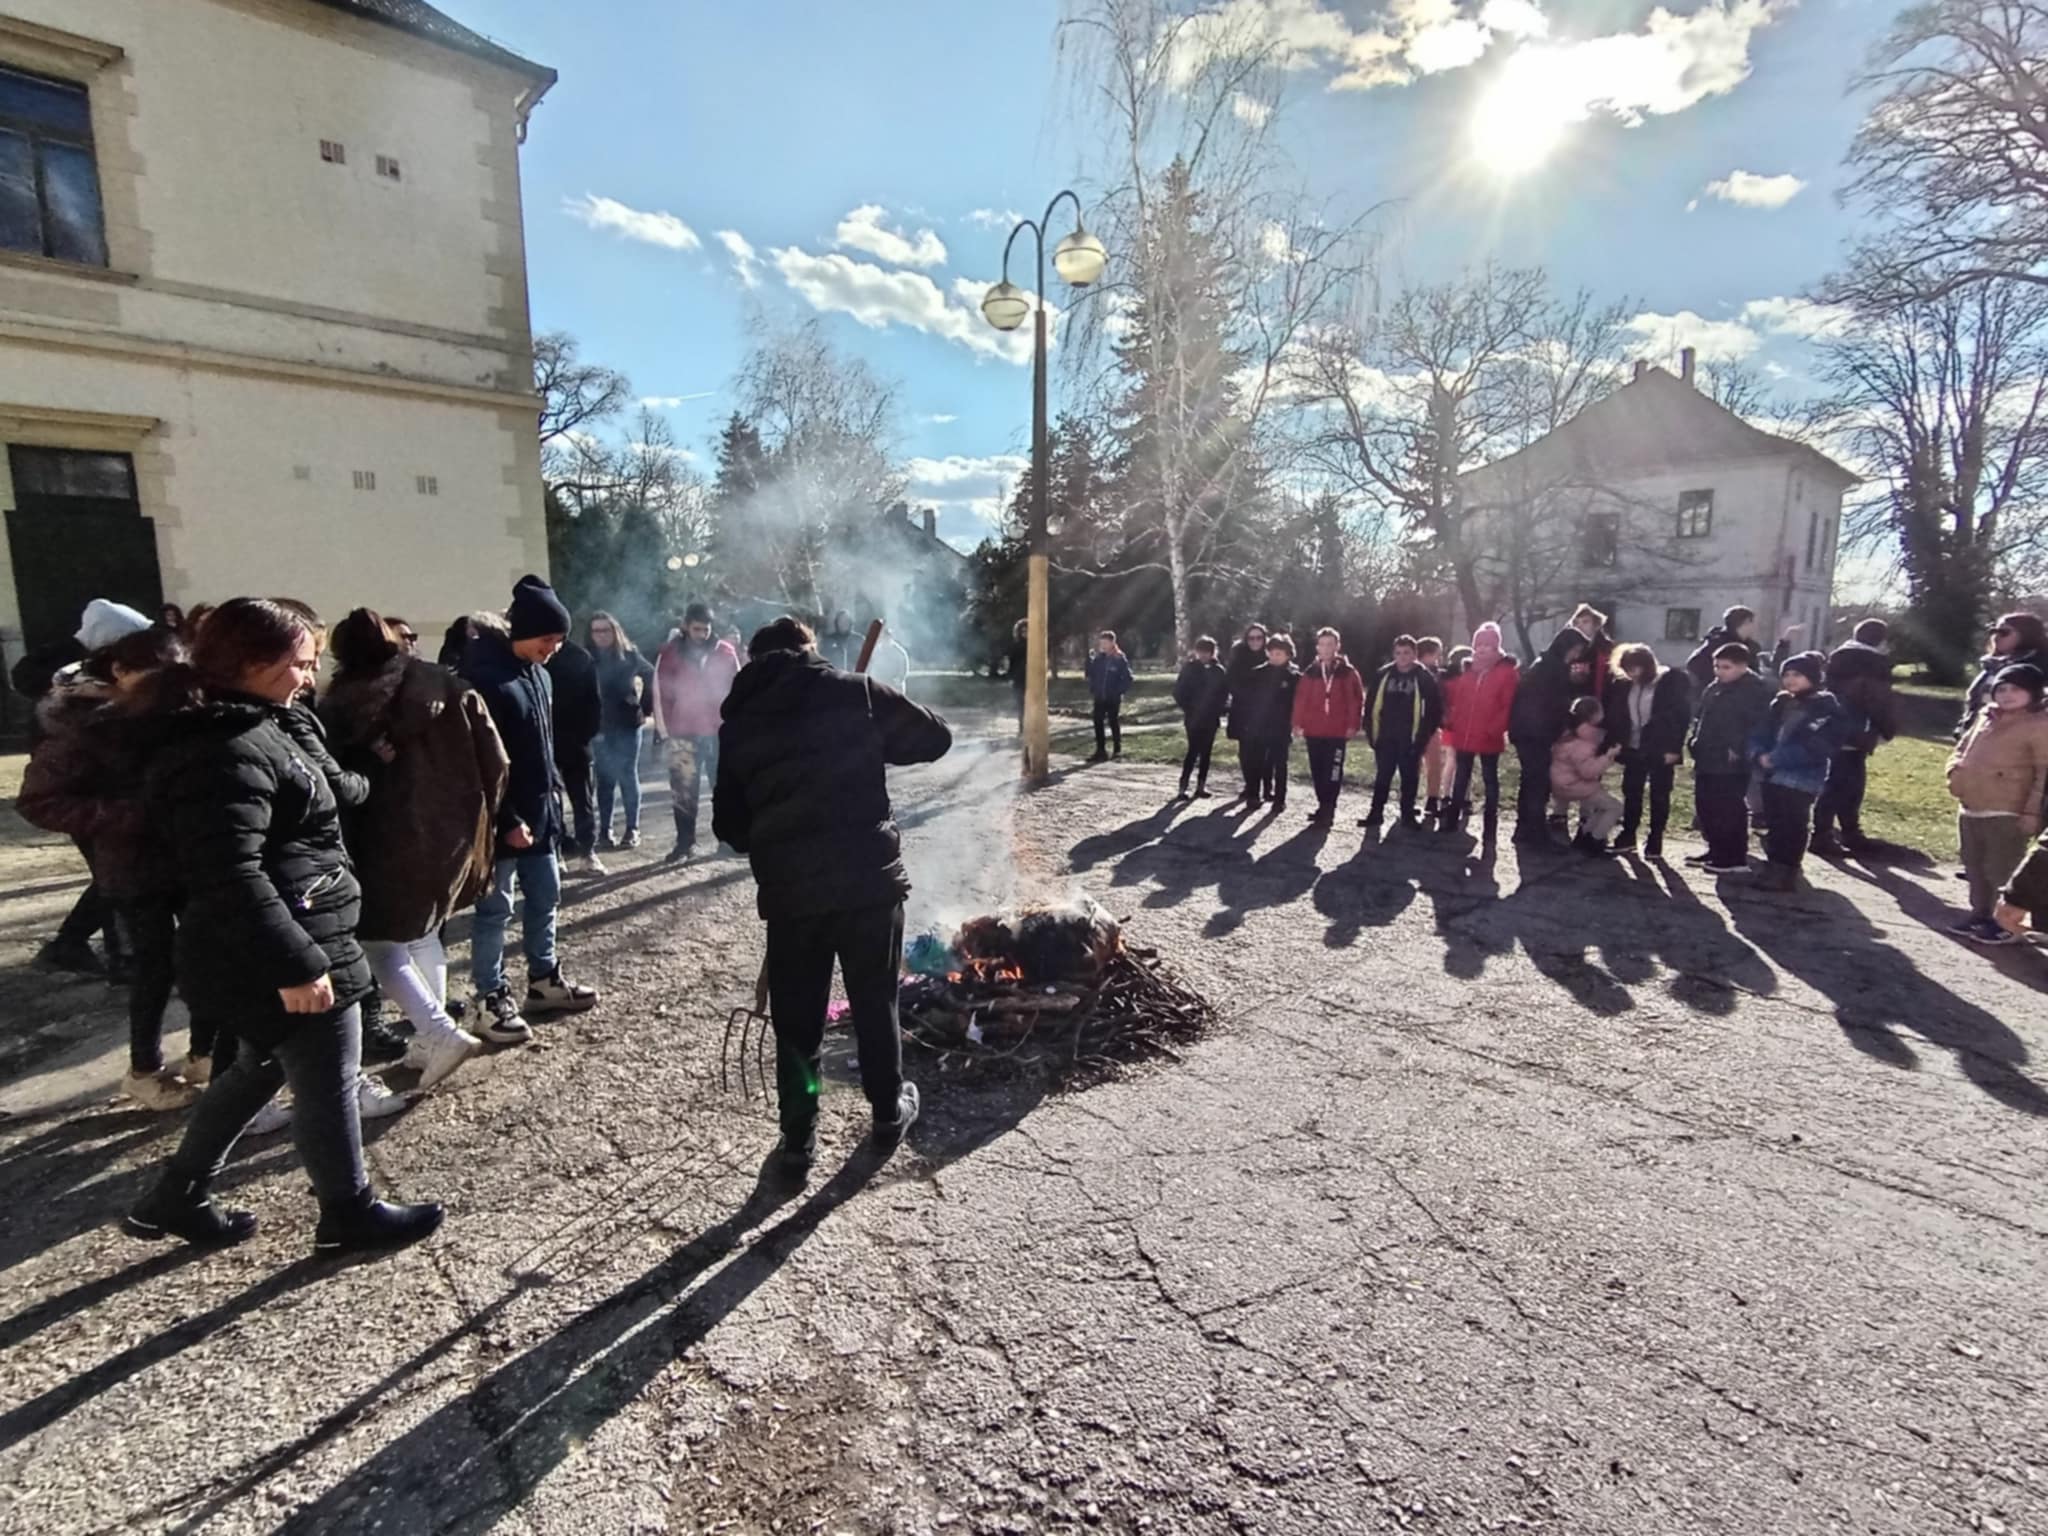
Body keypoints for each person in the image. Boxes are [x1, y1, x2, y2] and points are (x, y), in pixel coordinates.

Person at [121, 597, 442, 1256]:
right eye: (300, 663)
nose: (309, 675)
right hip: (285, 942)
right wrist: (298, 964)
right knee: (326, 1074)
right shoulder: (223, 750)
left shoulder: (262, 724)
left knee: (260, 1067)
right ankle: (348, 1214)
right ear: (250, 663)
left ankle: (175, 1197)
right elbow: (229, 873)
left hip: (296, 925)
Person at [712, 617, 952, 1182]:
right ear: (809, 649)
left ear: (753, 660)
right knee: (875, 1001)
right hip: (868, 884)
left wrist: (772, 830)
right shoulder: (855, 693)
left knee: (798, 1019)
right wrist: (870, 733)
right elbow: (935, 738)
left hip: (791, 894)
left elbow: (730, 827)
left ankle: (798, 1140)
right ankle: (888, 1113)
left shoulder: (740, 722)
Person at [320, 609, 509, 1079]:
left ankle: (436, 1032)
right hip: (448, 834)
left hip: (379, 840)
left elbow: (336, 783)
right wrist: (479, 819)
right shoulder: (449, 684)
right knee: (425, 933)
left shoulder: (340, 706)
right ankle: (430, 1037)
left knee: (381, 945)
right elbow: (497, 761)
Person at [18, 624, 196, 1108]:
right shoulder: (84, 724)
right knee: (155, 967)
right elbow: (39, 800)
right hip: (134, 865)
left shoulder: (176, 714)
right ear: (119, 670)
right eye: (154, 673)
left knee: (202, 957)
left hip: (189, 858)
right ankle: (145, 1068)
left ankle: (202, 1052)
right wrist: (128, 817)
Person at [461, 576, 601, 1039]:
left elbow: (542, 745)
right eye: (547, 638)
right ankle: (489, 997)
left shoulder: (540, 675)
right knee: (495, 910)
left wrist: (553, 796)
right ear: (522, 630)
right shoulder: (485, 678)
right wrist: (507, 819)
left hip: (542, 814)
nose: (554, 649)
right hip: (500, 821)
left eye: (559, 640)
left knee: (546, 898)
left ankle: (543, 980)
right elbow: (480, 761)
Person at [13, 597, 152, 977]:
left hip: (97, 795)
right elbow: (51, 772)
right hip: (93, 798)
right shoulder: (78, 689)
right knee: (114, 878)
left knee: (111, 877)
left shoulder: (73, 678)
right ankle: (114, 955)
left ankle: (78, 945)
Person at [1945, 664, 2048, 946]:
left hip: (2008, 808)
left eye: (2016, 689)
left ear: (2034, 693)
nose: (2007, 695)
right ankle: (1979, 913)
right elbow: (1962, 748)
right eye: (2001, 689)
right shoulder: (1986, 716)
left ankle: (2006, 922)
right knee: (1974, 864)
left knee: (2001, 868)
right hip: (1972, 803)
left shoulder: (2039, 725)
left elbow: (2043, 773)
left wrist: (2032, 811)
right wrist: (1954, 771)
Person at [1747, 652, 1850, 892]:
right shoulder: (1781, 703)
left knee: (1793, 823)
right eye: (1787, 674)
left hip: (1801, 776)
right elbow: (1761, 731)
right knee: (1774, 822)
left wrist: (1777, 758)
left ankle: (1787, 869)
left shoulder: (1825, 707)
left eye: (1797, 674)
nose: (1791, 679)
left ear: (1812, 677)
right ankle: (1774, 864)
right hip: (1770, 773)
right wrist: (1758, 753)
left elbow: (1819, 745)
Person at [653, 602, 742, 863]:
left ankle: (727, 840)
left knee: (723, 789)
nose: (702, 634)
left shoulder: (725, 652)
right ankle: (685, 843)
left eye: (706, 629)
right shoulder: (670, 653)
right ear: (685, 626)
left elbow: (738, 689)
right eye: (697, 629)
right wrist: (664, 732)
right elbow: (661, 693)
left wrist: (736, 727)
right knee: (683, 791)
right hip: (683, 732)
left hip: (718, 732)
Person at [1809, 618, 1898, 857]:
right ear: (1880, 640)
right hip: (1858, 727)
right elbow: (1878, 699)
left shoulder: (1838, 657)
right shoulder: (1874, 663)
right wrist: (1886, 729)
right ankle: (1829, 834)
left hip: (1834, 725)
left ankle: (1837, 831)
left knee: (1839, 780)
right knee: (1846, 783)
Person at [1688, 643, 1774, 875]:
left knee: (1728, 807)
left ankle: (1733, 856)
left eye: (1726, 667)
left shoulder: (1754, 690)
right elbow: (1702, 717)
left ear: (1743, 666)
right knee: (1706, 806)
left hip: (1731, 760)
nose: (1719, 671)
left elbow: (1757, 725)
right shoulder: (1715, 687)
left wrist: (1737, 747)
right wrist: (1694, 742)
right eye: (1717, 666)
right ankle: (1715, 849)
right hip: (1707, 755)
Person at [1609, 643, 1692, 859]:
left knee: (1660, 793)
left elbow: (1680, 718)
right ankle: (1628, 835)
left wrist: (1674, 748)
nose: (1631, 674)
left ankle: (1655, 838)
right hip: (1634, 747)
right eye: (1627, 669)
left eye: (1634, 668)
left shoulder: (1670, 682)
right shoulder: (1624, 685)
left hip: (1660, 747)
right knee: (1631, 791)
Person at [1509, 626, 1587, 846]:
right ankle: (1536, 833)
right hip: (1536, 732)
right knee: (1538, 783)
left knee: (1529, 781)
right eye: (1575, 650)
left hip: (1526, 730)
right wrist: (1566, 724)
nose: (1576, 655)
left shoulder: (1542, 665)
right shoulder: (1553, 670)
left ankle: (1524, 829)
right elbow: (1554, 704)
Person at [1440, 624, 1519, 836]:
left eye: (1487, 645)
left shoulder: (1506, 672)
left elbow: (1507, 706)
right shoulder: (1469, 670)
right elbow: (1460, 700)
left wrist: (1494, 729)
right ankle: (1452, 817)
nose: (1482, 649)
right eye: (1479, 645)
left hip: (1488, 735)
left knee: (1489, 778)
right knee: (1461, 776)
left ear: (1496, 647)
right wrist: (1453, 721)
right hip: (1464, 732)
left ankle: (1490, 822)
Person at [586, 612, 655, 851]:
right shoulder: (587, 658)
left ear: (614, 631)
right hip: (599, 725)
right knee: (604, 778)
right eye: (596, 631)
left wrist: (645, 707)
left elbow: (650, 675)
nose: (601, 635)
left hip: (627, 724)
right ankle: (605, 830)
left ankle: (632, 828)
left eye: (606, 630)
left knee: (627, 774)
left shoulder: (630, 655)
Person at [1360, 633, 1441, 829]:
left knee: (1409, 778)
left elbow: (1434, 710)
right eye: (1398, 653)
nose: (1402, 657)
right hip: (1385, 736)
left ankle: (1407, 814)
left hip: (1411, 738)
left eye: (1406, 653)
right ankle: (1376, 813)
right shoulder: (1383, 674)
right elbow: (1370, 704)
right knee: (1383, 776)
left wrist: (1423, 737)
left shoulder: (1424, 677)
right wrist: (1371, 732)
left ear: (1414, 654)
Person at [1291, 627, 1366, 828]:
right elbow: (1301, 700)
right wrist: (1297, 723)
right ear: (1317, 647)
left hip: (1337, 731)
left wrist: (1353, 724)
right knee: (1317, 770)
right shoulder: (1310, 672)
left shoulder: (1348, 672)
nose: (1326, 648)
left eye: (1330, 644)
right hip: (1314, 730)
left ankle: (1329, 808)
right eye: (1322, 644)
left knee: (1333, 771)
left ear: (1337, 646)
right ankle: (1322, 805)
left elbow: (1356, 700)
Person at [546, 625, 603, 875]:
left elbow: (594, 702)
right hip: (545, 743)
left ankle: (588, 852)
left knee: (583, 801)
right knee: (551, 801)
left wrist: (585, 736)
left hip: (577, 743)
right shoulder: (534, 658)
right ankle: (557, 851)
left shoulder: (580, 658)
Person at [1550, 696, 1623, 856]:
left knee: (1602, 806)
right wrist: (1608, 756)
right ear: (1594, 716)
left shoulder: (1567, 734)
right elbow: (1588, 772)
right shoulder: (1585, 741)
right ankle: (1595, 840)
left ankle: (1585, 836)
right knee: (1615, 808)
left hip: (1561, 783)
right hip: (1574, 785)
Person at [1235, 633, 1299, 812]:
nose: (1275, 657)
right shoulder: (1257, 673)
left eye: (1279, 654)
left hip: (1281, 726)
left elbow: (1297, 703)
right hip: (1258, 725)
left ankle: (1279, 799)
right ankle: (1253, 795)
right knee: (1255, 762)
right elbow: (1246, 700)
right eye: (1272, 653)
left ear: (1288, 655)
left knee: (1280, 764)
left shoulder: (1293, 676)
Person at [1957, 612, 2048, 738]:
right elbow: (1976, 702)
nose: (1996, 637)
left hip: (2017, 738)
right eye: (1994, 631)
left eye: (2004, 632)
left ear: (2027, 634)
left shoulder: (2040, 666)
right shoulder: (1993, 665)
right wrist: (1964, 728)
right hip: (1979, 735)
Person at [1172, 636, 1230, 799]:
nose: (1204, 655)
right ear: (1196, 652)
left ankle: (1201, 785)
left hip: (1211, 718)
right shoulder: (1190, 668)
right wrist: (1188, 708)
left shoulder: (1218, 670)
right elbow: (1178, 692)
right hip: (1193, 717)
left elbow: (1224, 693)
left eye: (1207, 652)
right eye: (1201, 651)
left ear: (1213, 653)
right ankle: (1183, 786)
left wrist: (1220, 709)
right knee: (1193, 750)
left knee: (1206, 752)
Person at [1685, 607, 1799, 690]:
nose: (1755, 626)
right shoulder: (1716, 644)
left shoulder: (1752, 646)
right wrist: (1721, 682)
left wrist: (1784, 642)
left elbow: (1770, 668)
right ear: (1745, 623)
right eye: (1753, 622)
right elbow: (1694, 665)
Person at [1221, 622, 1269, 798]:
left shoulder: (1270, 656)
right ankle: (1251, 786)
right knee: (1246, 752)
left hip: (1265, 712)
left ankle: (1264, 786)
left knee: (1263, 752)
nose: (1255, 641)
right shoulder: (1238, 659)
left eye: (1259, 638)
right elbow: (1231, 682)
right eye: (1251, 638)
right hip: (1243, 710)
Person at [1415, 637, 1454, 821]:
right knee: (1415, 763)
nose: (1439, 658)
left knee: (1434, 763)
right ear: (1427, 654)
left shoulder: (1439, 674)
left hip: (1431, 724)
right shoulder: (1415, 672)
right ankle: (1411, 796)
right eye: (1437, 654)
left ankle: (1432, 798)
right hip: (1415, 724)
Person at [1085, 630, 1135, 763]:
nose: (1103, 645)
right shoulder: (1099, 658)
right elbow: (1090, 674)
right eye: (1101, 643)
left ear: (1112, 643)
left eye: (1105, 643)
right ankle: (1100, 750)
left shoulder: (1119, 658)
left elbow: (1128, 678)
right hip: (1099, 696)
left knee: (1113, 721)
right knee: (1097, 721)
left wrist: (1119, 691)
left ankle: (1117, 749)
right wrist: (1088, 662)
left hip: (1113, 697)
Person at [1565, 605, 1615, 709]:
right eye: (1576, 623)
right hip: (1573, 708)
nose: (1580, 626)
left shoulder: (1607, 650)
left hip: (1602, 707)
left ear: (1596, 625)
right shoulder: (1566, 650)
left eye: (1585, 622)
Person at [1006, 619, 1031, 735]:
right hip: (1019, 679)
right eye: (1023, 631)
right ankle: (1022, 727)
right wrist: (1011, 677)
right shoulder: (1016, 646)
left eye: (1027, 631)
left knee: (1031, 704)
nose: (1025, 633)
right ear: (1019, 632)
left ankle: (1031, 726)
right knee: (1021, 705)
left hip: (1032, 679)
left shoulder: (1034, 645)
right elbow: (1011, 663)